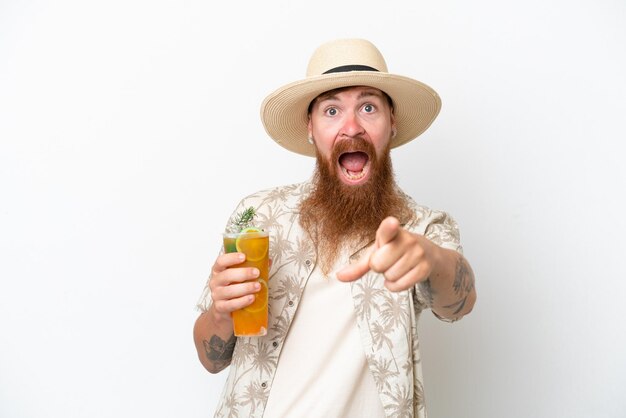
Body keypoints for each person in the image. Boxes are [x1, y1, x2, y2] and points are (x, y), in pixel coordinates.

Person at [193, 38, 476, 418]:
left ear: (392, 123)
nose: (352, 127)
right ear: (310, 128)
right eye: (331, 111)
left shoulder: (421, 227)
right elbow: (211, 360)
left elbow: (460, 302)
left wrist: (430, 259)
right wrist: (221, 313)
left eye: (369, 107)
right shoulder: (257, 216)